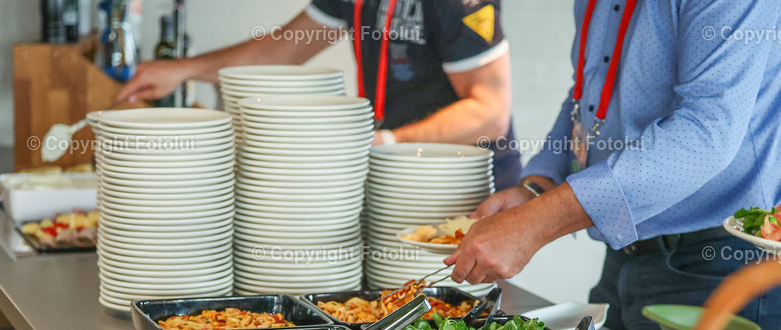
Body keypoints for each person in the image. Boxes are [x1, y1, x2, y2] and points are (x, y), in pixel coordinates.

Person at [445, 0, 781, 330]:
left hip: (734, 260)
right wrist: (538, 187)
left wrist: (537, 222)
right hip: (629, 253)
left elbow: (705, 133)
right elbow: (589, 95)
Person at [116, 1, 523, 189]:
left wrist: (385, 141)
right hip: (389, 169)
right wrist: (186, 69)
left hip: (463, 182)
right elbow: (278, 51)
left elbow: (489, 113)